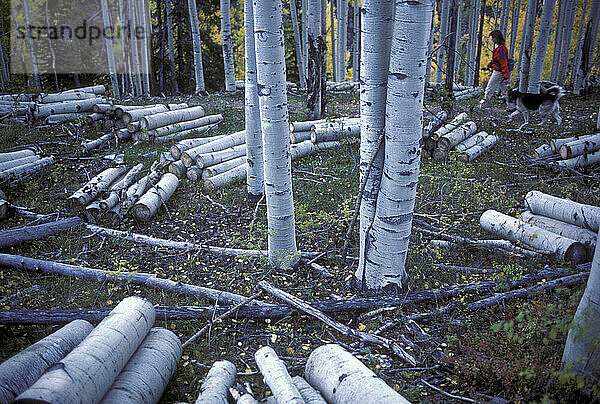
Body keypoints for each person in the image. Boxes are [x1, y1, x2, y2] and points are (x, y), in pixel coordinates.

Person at [480, 30, 509, 107]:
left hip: (499, 72)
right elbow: (495, 60)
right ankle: (511, 106)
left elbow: (504, 62)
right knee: (504, 90)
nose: (492, 39)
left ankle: (483, 105)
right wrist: (488, 66)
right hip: (500, 71)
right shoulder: (499, 48)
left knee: (489, 88)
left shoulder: (501, 49)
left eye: (493, 38)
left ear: (498, 38)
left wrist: (506, 76)